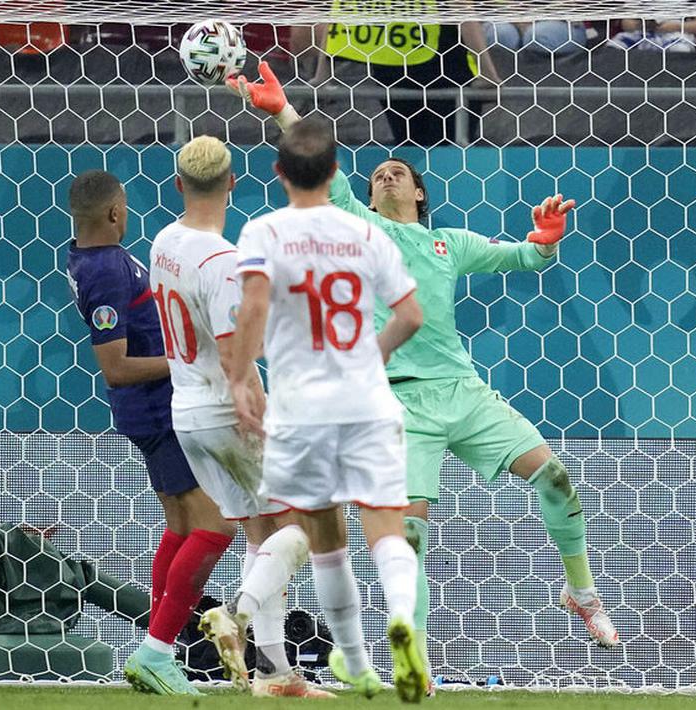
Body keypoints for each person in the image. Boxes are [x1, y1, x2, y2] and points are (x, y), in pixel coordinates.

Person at [228, 63, 620, 664]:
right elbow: (316, 165)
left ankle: (582, 591)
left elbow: (526, 261)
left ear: (418, 193)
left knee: (556, 480)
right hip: (401, 402)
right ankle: (420, 661)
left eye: (398, 173)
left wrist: (547, 238)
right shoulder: (361, 228)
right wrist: (282, 111)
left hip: (463, 392)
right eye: (378, 173)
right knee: (408, 537)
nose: (385, 175)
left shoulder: (451, 243)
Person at [225, 116, 428, 702]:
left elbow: (254, 309)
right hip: (366, 399)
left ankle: (360, 662)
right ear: (337, 171)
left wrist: (240, 378)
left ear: (279, 172)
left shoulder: (263, 232)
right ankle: (402, 626)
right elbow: (410, 316)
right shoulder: (368, 236)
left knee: (324, 540)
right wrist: (370, 353)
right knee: (387, 527)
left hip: (301, 407)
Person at [147, 135, 329, 698]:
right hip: (229, 409)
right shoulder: (222, 261)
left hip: (187, 410)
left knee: (261, 530)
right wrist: (263, 410)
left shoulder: (164, 242)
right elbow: (234, 354)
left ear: (178, 185)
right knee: (306, 525)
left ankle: (275, 674)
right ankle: (235, 613)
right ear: (233, 182)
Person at [64, 170, 234, 696]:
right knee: (219, 525)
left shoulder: (90, 258)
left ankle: (159, 652)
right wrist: (186, 359)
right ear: (115, 214)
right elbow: (115, 366)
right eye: (126, 207)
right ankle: (158, 649)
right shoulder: (107, 270)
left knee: (182, 526)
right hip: (156, 409)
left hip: (152, 408)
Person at [291, 20, 500, 145]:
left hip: (391, 68)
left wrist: (323, 72)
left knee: (410, 153)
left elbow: (339, 13)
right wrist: (488, 72)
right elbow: (462, 9)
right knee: (444, 159)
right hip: (444, 71)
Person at [483, 20, 587, 56]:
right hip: (509, 18)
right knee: (499, 35)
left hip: (564, 22)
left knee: (536, 37)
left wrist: (534, 19)